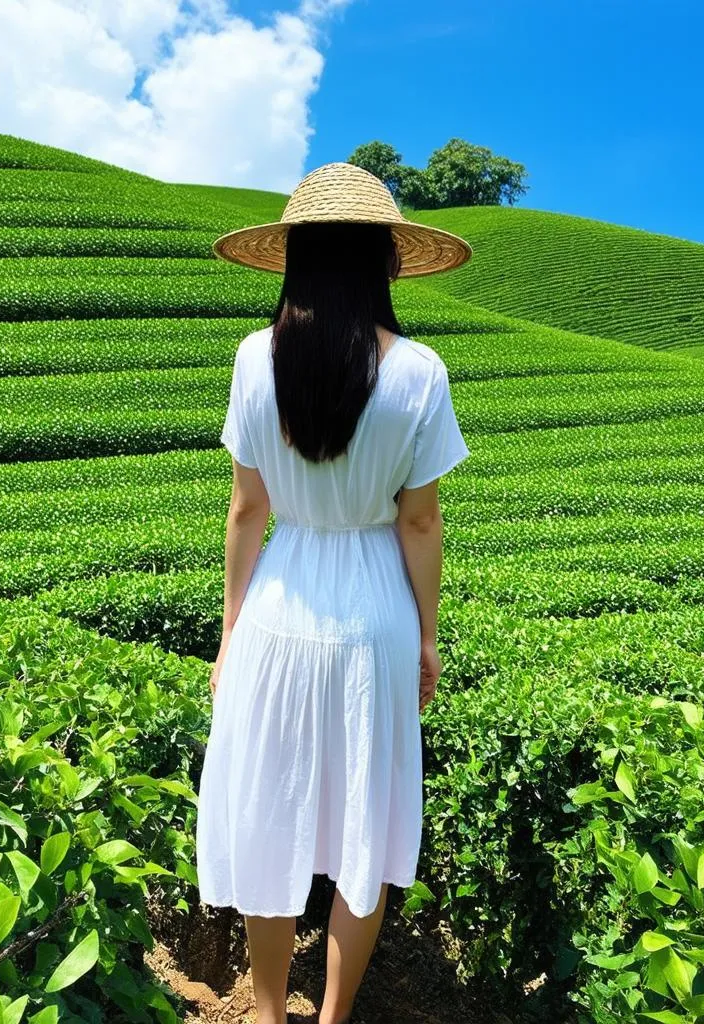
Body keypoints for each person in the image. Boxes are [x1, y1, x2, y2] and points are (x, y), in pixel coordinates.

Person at [195, 162, 473, 1024]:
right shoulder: (420, 371)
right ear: (386, 263)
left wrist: (229, 629)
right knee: (369, 819)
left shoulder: (252, 358)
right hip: (375, 611)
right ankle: (334, 1018)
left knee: (272, 807)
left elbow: (248, 507)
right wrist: (428, 636)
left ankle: (269, 1012)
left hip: (282, 597)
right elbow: (419, 526)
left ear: (295, 260)